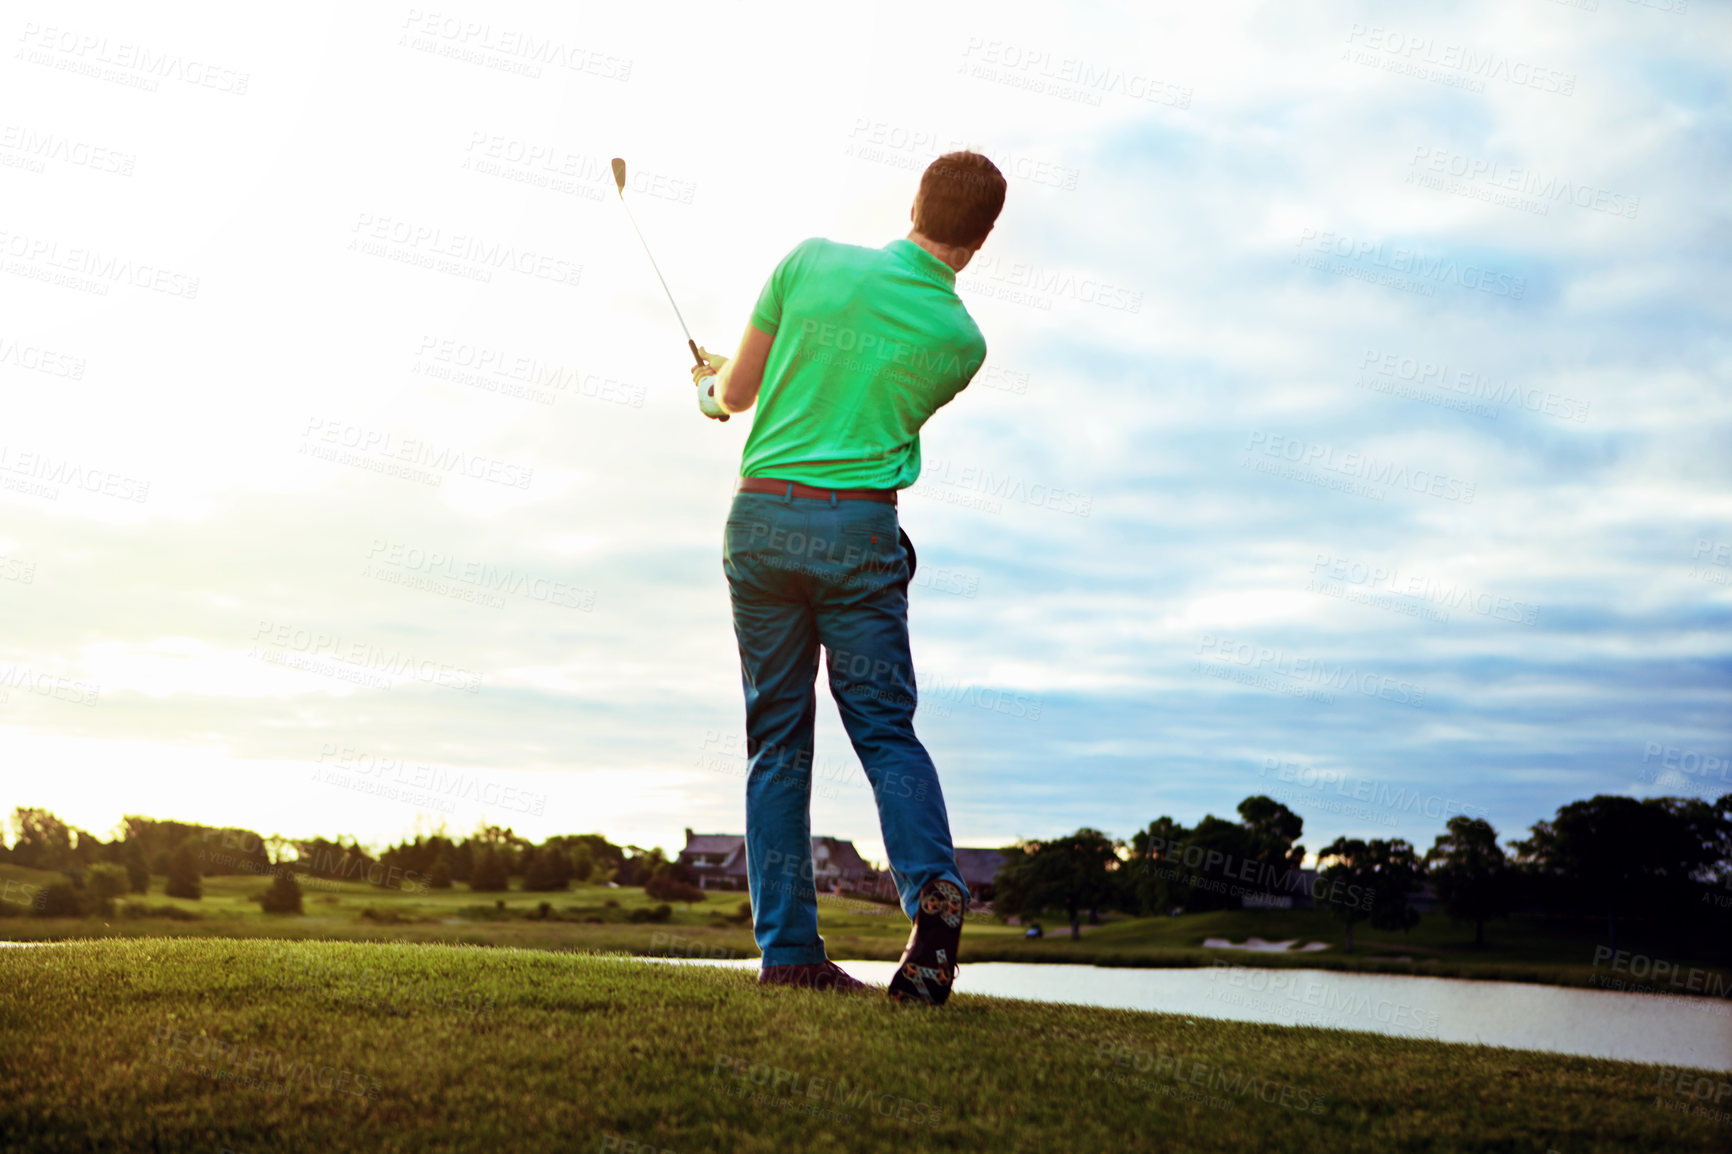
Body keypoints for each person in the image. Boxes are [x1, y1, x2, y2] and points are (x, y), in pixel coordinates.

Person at [689, 152, 1006, 1005]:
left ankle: (791, 953)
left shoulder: (808, 261)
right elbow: (866, 399)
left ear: (913, 202)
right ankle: (931, 891)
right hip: (858, 529)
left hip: (760, 523)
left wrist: (709, 390)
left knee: (778, 742)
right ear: (979, 241)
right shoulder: (961, 343)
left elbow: (739, 394)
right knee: (884, 728)